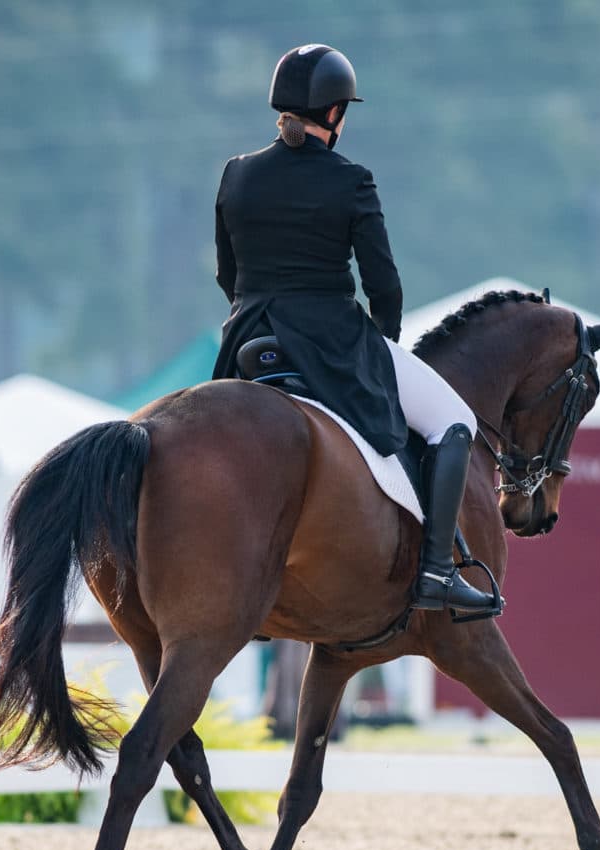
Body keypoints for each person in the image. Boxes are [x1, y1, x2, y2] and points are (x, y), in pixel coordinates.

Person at [211, 43, 496, 614]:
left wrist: (254, 315)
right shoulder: (351, 180)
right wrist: (380, 344)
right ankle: (437, 573)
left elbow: (227, 273)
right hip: (332, 343)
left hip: (248, 342)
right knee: (454, 421)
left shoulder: (236, 174)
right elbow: (383, 285)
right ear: (335, 113)